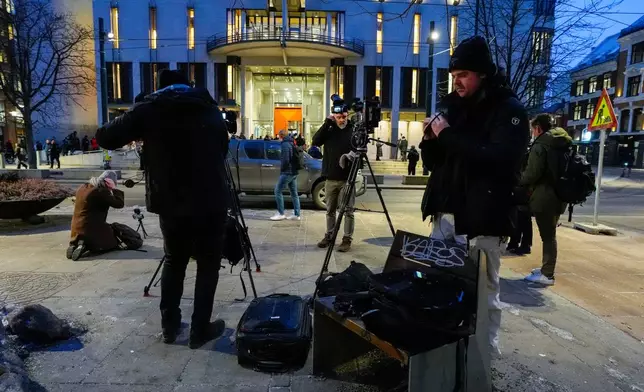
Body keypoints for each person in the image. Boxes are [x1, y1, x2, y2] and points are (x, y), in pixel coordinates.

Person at [96, 69, 230, 349]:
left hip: (172, 202)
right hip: (211, 199)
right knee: (207, 266)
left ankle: (170, 328)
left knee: (175, 261)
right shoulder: (209, 107)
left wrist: (140, 112)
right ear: (189, 84)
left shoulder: (151, 109)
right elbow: (222, 147)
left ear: (158, 89)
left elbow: (105, 137)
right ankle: (199, 330)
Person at [420, 36, 530, 355]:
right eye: (454, 76)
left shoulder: (508, 110)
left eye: (464, 75)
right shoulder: (452, 108)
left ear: (482, 74)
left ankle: (484, 352)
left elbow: (496, 159)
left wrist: (448, 135)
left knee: (484, 290)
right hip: (446, 214)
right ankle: (444, 346)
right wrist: (430, 140)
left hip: (484, 218)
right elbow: (434, 164)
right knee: (439, 282)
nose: (457, 82)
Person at [520, 115, 571, 286]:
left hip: (544, 195)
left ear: (538, 128)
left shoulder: (541, 145)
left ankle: (547, 274)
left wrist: (520, 181)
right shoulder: (562, 141)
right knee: (549, 234)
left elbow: (532, 173)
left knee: (548, 236)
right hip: (560, 194)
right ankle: (545, 268)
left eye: (532, 129)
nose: (532, 133)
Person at [312, 104, 355, 253]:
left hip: (347, 178)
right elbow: (315, 141)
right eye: (338, 117)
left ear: (347, 115)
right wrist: (327, 123)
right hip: (330, 178)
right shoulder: (329, 130)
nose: (342, 120)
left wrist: (351, 156)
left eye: (344, 116)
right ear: (334, 116)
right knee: (330, 210)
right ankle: (329, 236)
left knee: (348, 211)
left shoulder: (353, 129)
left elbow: (360, 150)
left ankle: (346, 239)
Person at [67, 171, 124, 261]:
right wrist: (114, 189)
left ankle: (75, 244)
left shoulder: (83, 187)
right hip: (91, 229)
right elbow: (119, 204)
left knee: (86, 233)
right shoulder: (101, 191)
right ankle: (85, 247)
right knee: (111, 242)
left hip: (76, 228)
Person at [507, 142, 534, 256]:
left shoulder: (524, 153)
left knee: (521, 215)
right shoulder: (525, 151)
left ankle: (521, 244)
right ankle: (517, 243)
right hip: (522, 187)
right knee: (521, 215)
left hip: (522, 187)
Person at [270, 129, 302, 221]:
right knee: (294, 193)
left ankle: (281, 213)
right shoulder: (292, 142)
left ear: (280, 136)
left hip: (287, 172)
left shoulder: (285, 144)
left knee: (277, 191)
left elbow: (285, 159)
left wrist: (282, 169)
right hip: (294, 171)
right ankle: (297, 214)